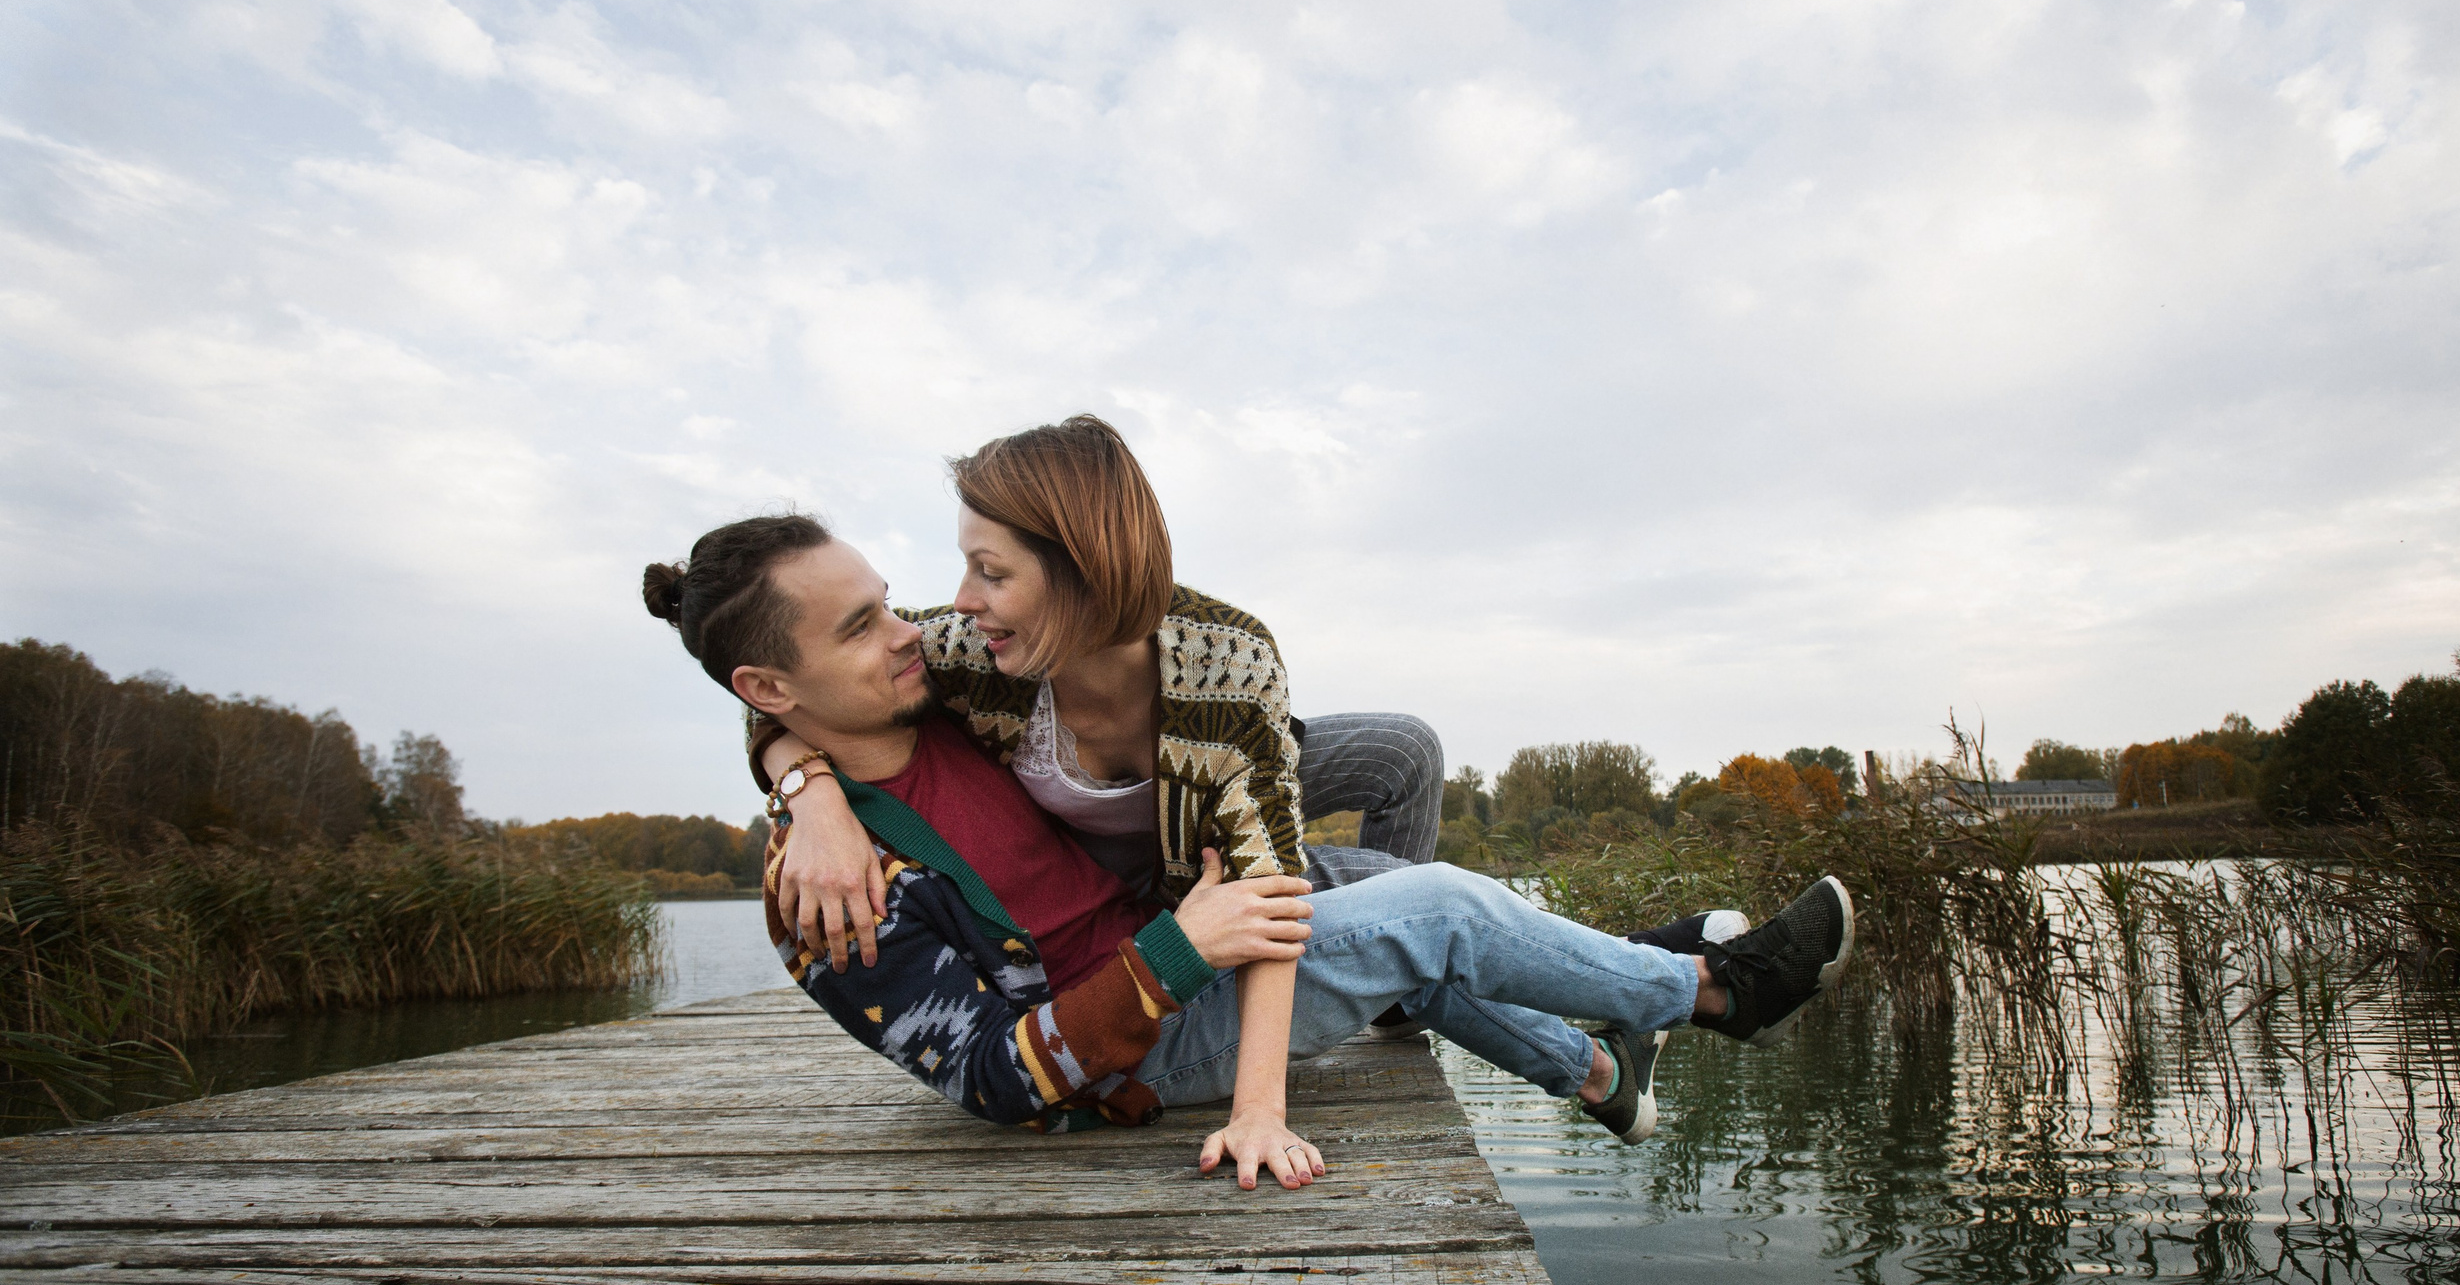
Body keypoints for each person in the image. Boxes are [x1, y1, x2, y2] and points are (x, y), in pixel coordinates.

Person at [642, 516, 1858, 1191]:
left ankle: (1600, 1078)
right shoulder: (827, 905)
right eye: (864, 627)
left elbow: (804, 709)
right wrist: (1179, 951)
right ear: (769, 681)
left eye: (894, 600)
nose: (914, 631)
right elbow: (995, 1086)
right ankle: (1712, 990)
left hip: (1175, 923)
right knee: (1431, 912)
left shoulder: (927, 692)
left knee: (1411, 918)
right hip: (1150, 1037)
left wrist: (800, 775)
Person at [748, 414, 1442, 1095]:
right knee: (1384, 885)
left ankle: (1403, 1002)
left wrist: (1262, 1105)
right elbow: (785, 680)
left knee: (1405, 752)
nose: (962, 599)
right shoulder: (974, 646)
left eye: (989, 571)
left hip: (1202, 787)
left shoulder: (1224, 654)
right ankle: (1410, 979)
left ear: (1081, 570)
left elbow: (1267, 873)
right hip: (1135, 877)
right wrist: (809, 789)